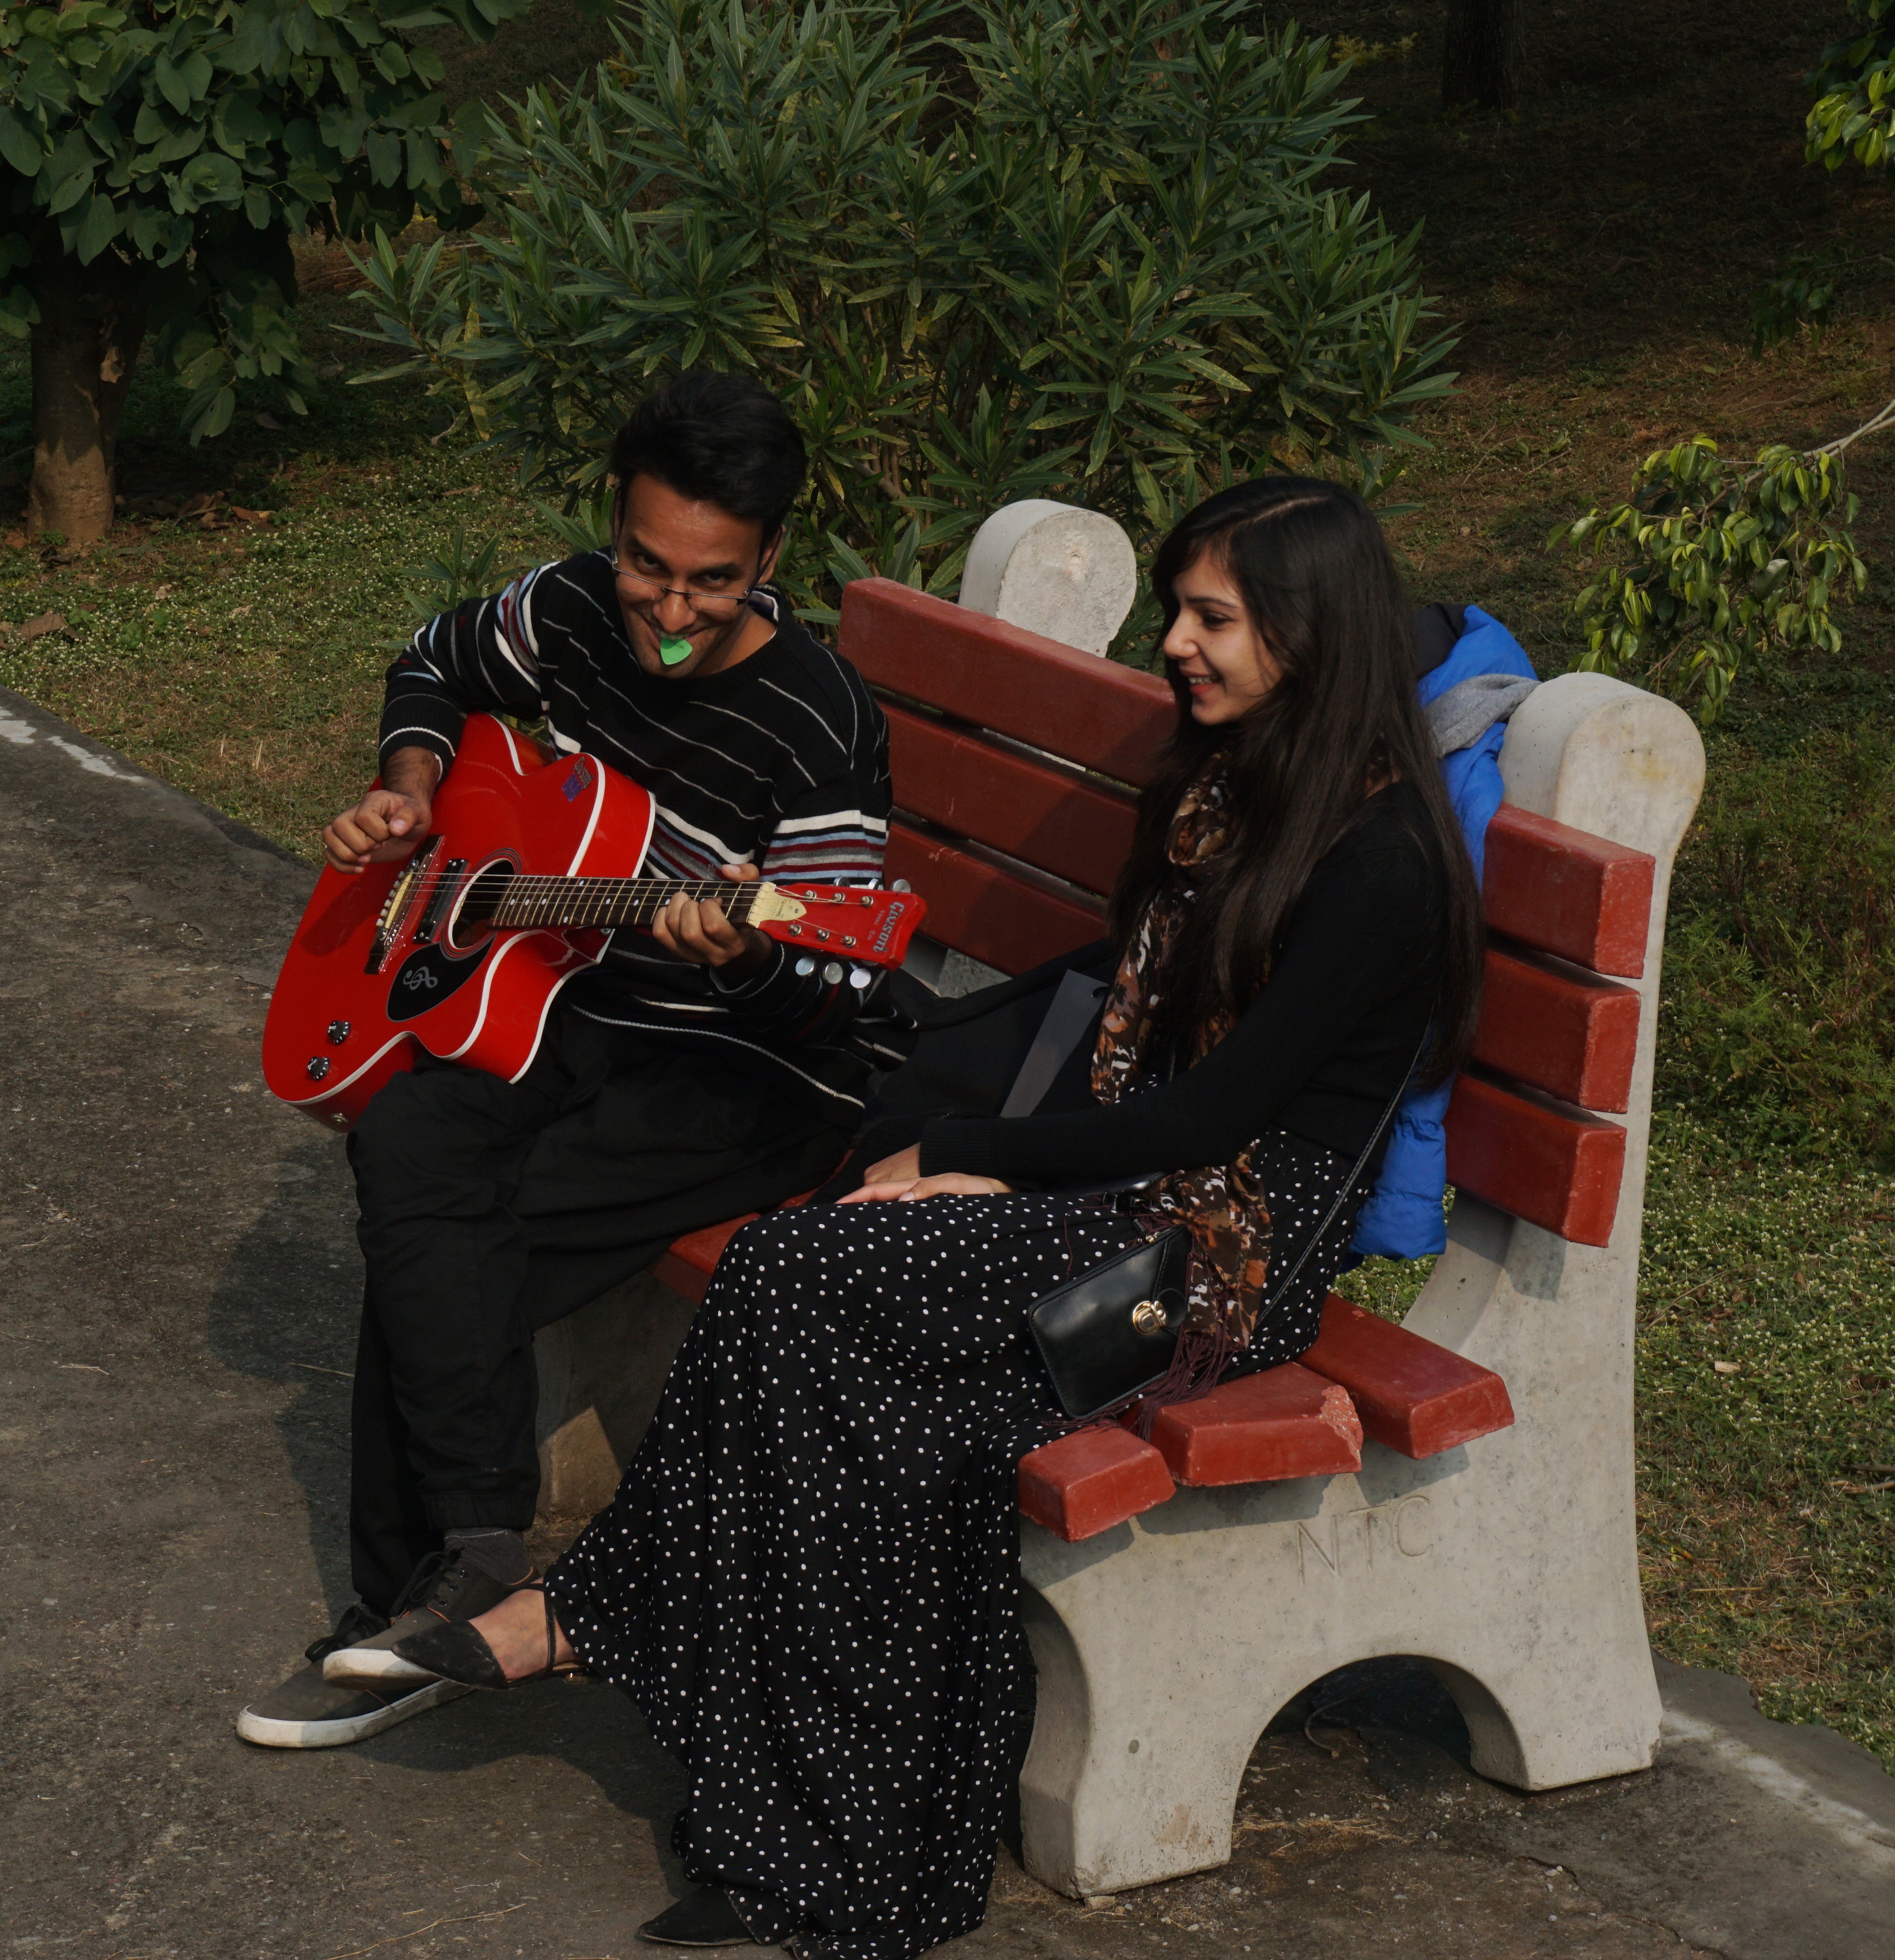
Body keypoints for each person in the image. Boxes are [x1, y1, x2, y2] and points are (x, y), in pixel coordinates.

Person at [389, 476, 1482, 1957]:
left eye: (1213, 619)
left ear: (1312, 629)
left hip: (1207, 1274)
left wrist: (988, 1157)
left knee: (825, 1307)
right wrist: (998, 1158)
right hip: (1113, 1201)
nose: (1177, 643)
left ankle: (622, 1634)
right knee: (845, 1360)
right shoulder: (1235, 782)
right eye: (1177, 610)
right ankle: (809, 1842)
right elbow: (1131, 1034)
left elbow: (1220, 1120)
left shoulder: (1384, 866)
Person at [237, 371, 899, 1751]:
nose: (667, 607)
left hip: (754, 1070)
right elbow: (433, 660)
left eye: (710, 582)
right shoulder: (574, 611)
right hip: (577, 996)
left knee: (444, 1236)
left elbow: (837, 992)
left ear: (770, 560)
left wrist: (745, 951)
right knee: (412, 1146)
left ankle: (407, 1610)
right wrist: (413, 794)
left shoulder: (820, 721)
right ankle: (463, 1568)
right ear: (616, 530)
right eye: (647, 565)